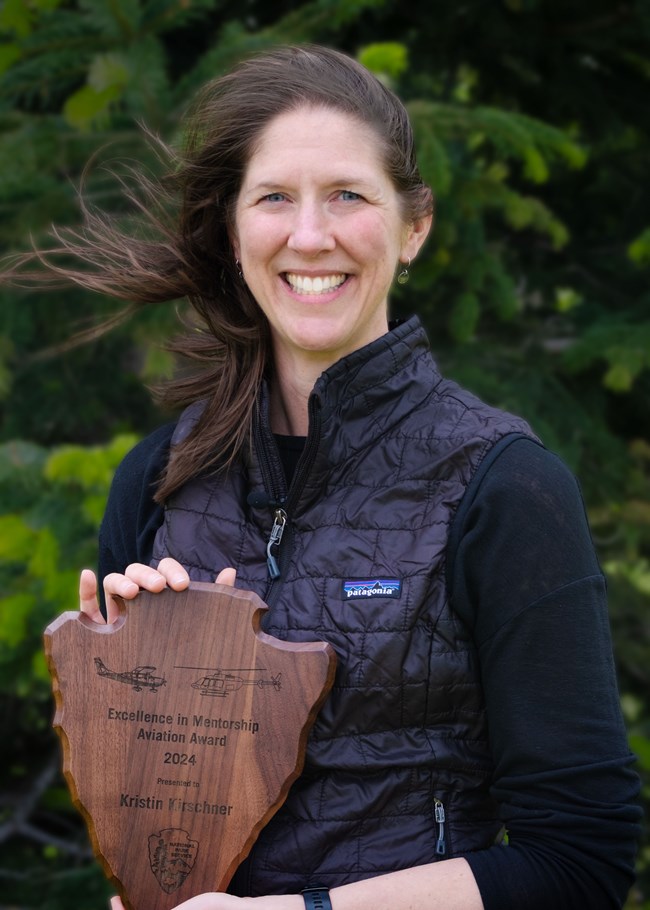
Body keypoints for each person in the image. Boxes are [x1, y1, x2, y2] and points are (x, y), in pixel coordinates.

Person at [34, 45, 640, 910]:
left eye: (348, 196)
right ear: (233, 231)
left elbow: (581, 860)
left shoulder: (503, 487)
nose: (310, 235)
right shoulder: (160, 477)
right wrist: (127, 681)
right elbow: (144, 844)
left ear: (413, 226)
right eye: (275, 197)